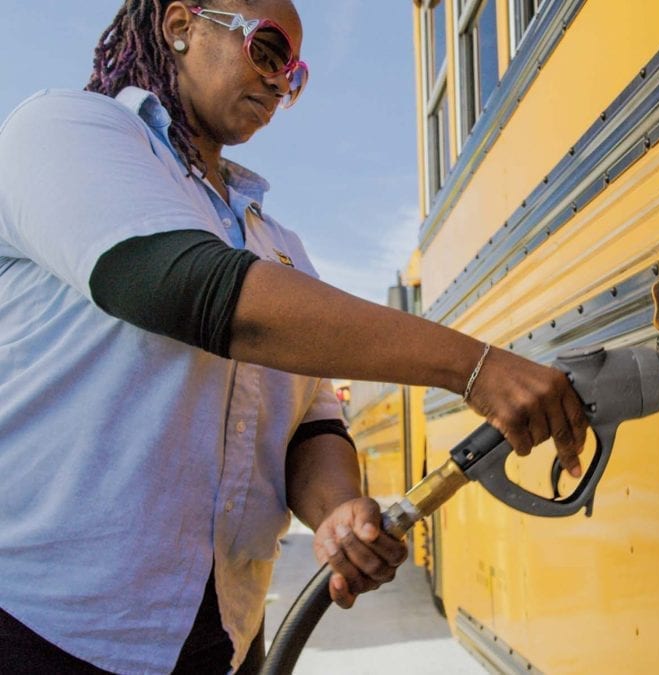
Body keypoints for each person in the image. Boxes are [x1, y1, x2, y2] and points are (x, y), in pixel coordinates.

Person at [0, 1, 588, 672]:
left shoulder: (277, 246)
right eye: (269, 50)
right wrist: (473, 366)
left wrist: (336, 510)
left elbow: (313, 425)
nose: (282, 84)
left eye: (295, 72)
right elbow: (184, 286)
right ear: (180, 25)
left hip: (223, 636)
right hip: (40, 625)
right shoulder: (69, 131)